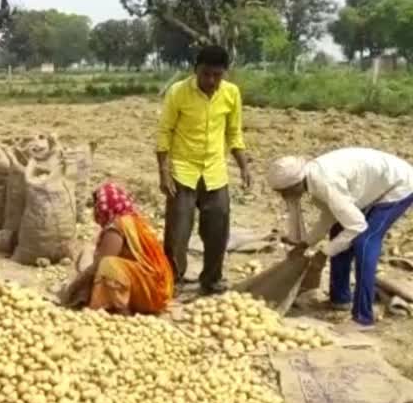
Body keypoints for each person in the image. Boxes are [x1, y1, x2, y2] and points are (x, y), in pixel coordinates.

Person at [268, 148, 413, 327]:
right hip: (369, 186)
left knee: (365, 241)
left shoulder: (326, 183)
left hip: (398, 184)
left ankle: (363, 316)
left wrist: (323, 254)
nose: (283, 196)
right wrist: (305, 244)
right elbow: (329, 217)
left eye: (285, 191)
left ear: (297, 183)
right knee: (338, 232)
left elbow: (357, 226)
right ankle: (340, 299)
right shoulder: (312, 181)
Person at [156, 45, 250, 295]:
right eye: (206, 74)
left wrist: (243, 167)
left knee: (218, 230)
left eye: (217, 75)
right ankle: (173, 280)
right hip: (182, 171)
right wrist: (163, 172)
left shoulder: (231, 94)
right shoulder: (178, 92)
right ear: (196, 70)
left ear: (224, 74)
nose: (211, 81)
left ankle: (211, 280)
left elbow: (234, 133)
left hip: (215, 172)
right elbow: (165, 131)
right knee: (178, 232)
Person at [61, 183, 174, 314]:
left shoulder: (117, 227)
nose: (96, 210)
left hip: (152, 292)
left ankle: (121, 310)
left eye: (97, 205)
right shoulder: (130, 219)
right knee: (90, 253)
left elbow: (100, 265)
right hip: (156, 286)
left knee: (108, 266)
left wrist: (75, 286)